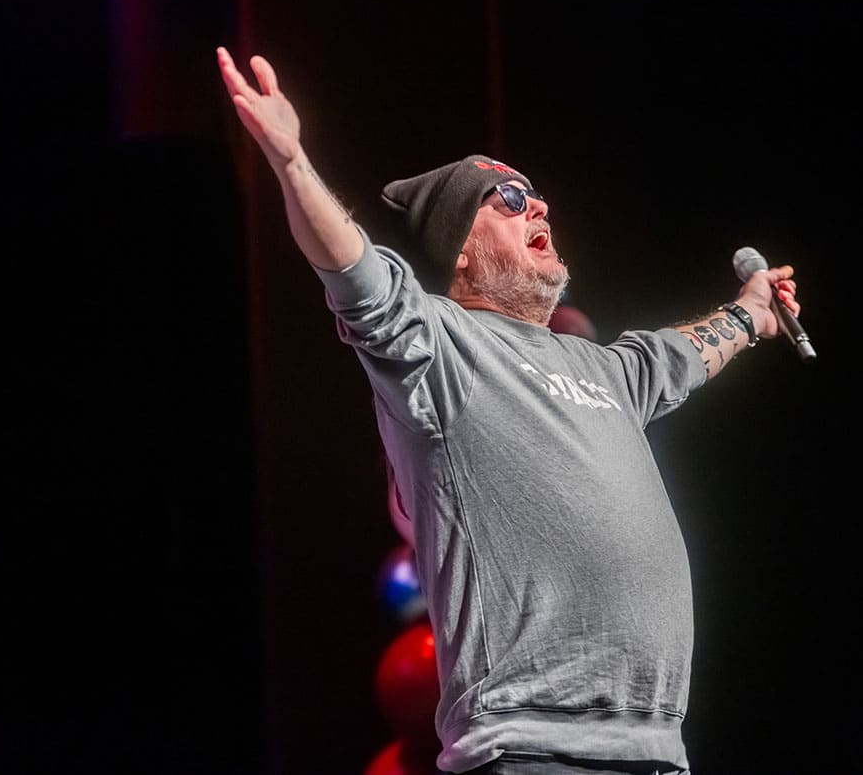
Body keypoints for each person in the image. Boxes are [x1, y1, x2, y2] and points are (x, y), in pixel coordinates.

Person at [216, 48, 802, 775]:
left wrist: (750, 315)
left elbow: (677, 353)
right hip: (530, 747)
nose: (539, 207)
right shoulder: (437, 345)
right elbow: (353, 269)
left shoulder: (606, 369)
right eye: (511, 200)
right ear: (460, 251)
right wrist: (290, 160)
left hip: (652, 753)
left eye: (536, 196)